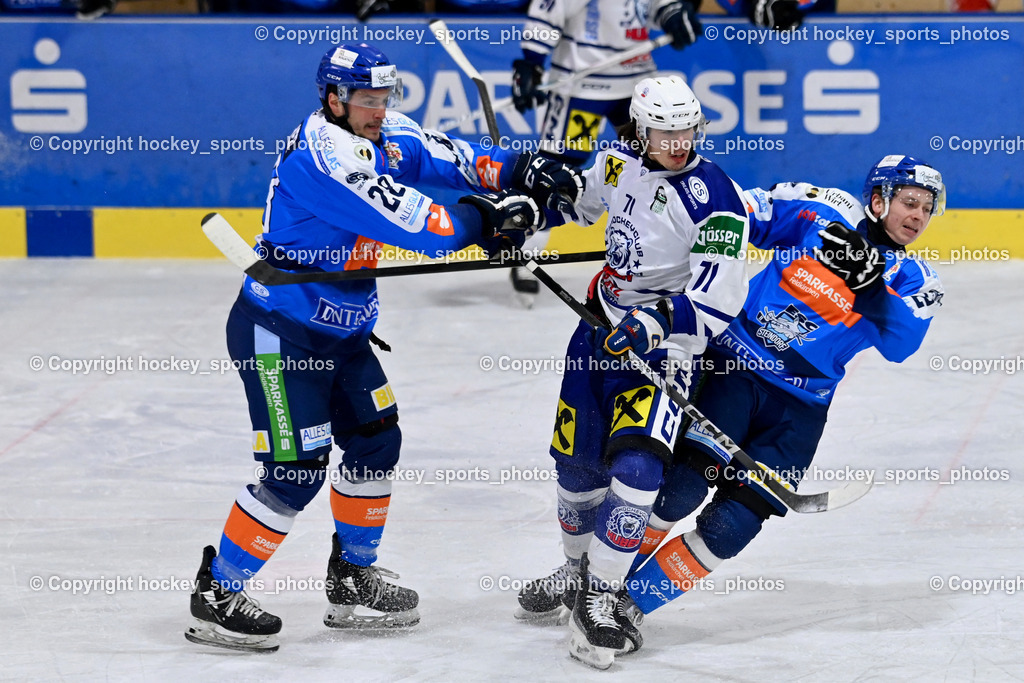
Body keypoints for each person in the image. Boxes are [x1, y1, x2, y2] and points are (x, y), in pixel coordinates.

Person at [184, 42, 582, 653]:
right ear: (334, 99)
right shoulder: (326, 159)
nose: (379, 109)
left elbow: (458, 159)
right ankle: (218, 593)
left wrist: (524, 170)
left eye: (384, 96)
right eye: (367, 99)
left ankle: (352, 578)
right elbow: (427, 226)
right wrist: (494, 222)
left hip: (343, 331)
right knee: (294, 471)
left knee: (376, 439)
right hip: (281, 334)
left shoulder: (383, 131)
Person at [617, 155, 946, 650]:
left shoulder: (915, 278)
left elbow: (902, 345)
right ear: (878, 199)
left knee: (733, 527)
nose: (918, 217)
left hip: (799, 413)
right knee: (681, 488)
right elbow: (735, 216)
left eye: (926, 209)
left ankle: (627, 606)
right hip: (734, 370)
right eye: (909, 202)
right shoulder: (819, 209)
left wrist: (870, 287)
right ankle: (595, 584)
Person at [514, 75, 751, 670]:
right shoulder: (620, 161)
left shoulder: (716, 195)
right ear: (641, 130)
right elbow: (581, 198)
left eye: (687, 129)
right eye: (665, 131)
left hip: (663, 350)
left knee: (640, 467)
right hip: (597, 331)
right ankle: (575, 574)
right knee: (577, 463)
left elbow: (720, 291)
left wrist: (656, 322)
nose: (678, 141)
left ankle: (604, 592)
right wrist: (537, 201)